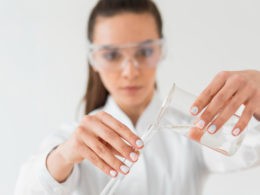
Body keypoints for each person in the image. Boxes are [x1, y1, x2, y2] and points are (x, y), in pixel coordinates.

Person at [15, 0, 260, 194]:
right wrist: (64, 155)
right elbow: (27, 190)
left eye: (144, 51)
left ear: (161, 51)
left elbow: (250, 150)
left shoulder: (192, 129)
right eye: (111, 55)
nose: (130, 71)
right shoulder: (70, 139)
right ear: (94, 61)